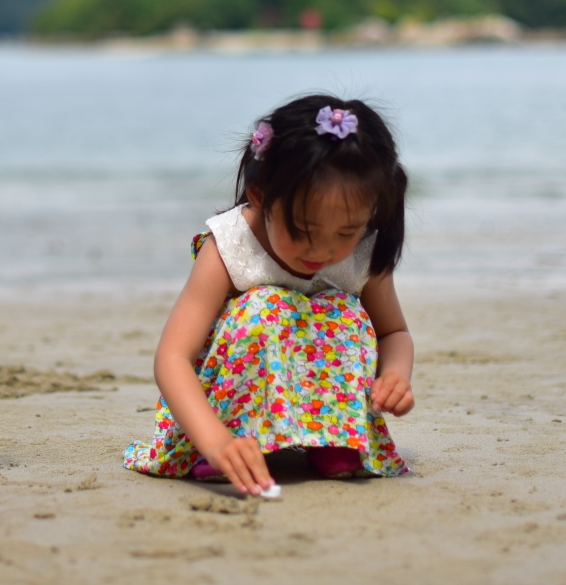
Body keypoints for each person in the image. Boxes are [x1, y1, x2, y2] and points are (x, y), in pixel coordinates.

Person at [124, 94, 415, 495]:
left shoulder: (362, 251)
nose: (323, 251)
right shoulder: (231, 244)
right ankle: (235, 440)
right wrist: (215, 439)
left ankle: (332, 436)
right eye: (304, 230)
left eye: (346, 232)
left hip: (326, 404)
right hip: (224, 403)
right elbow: (173, 358)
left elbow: (392, 333)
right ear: (261, 197)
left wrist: (396, 375)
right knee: (266, 305)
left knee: (341, 309)